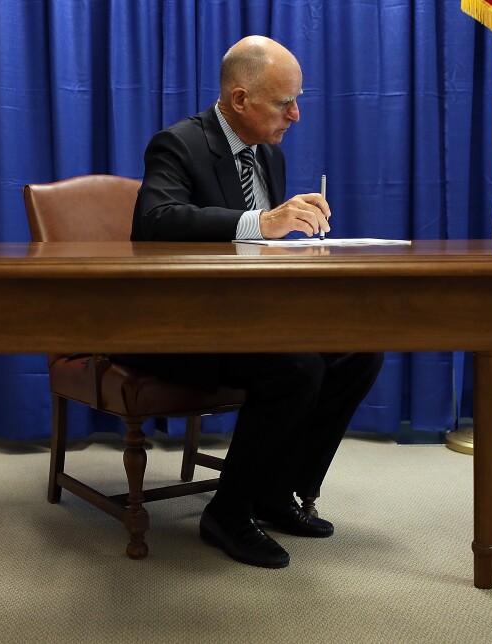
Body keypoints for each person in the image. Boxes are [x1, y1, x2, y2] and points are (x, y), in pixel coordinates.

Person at [124, 35, 383, 568]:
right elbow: (156, 221)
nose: (297, 114)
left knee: (361, 349)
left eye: (298, 98)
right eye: (284, 102)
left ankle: (276, 491)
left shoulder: (269, 155)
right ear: (239, 100)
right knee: (295, 366)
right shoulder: (177, 145)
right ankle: (229, 511)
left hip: (251, 319)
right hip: (179, 326)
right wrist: (262, 223)